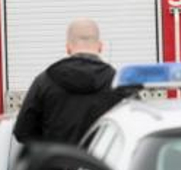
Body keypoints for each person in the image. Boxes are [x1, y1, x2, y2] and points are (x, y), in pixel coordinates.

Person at [13, 18, 124, 146]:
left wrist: (49, 149)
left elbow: (22, 132)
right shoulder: (117, 82)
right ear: (100, 46)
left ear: (68, 48)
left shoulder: (45, 80)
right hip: (101, 164)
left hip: (55, 163)